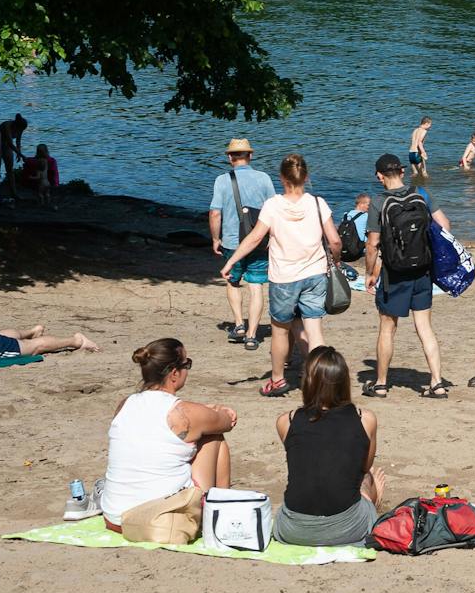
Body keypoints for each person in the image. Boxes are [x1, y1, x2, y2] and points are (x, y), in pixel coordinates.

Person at [220, 153, 342, 397]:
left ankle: (277, 380)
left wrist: (231, 261)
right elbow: (335, 240)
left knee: (280, 330)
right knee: (314, 329)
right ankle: (321, 379)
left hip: (284, 277)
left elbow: (254, 238)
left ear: (281, 179)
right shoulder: (318, 203)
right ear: (306, 178)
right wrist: (335, 261)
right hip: (315, 274)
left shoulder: (273, 205)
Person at [97, 339, 236, 539]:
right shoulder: (184, 413)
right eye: (186, 365)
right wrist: (217, 411)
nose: (188, 369)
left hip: (115, 518)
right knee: (214, 436)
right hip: (161, 522)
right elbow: (226, 422)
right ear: (174, 374)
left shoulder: (124, 405)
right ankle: (222, 510)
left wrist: (205, 412)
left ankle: (221, 506)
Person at [272, 347, 384, 547]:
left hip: (293, 529)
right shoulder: (365, 419)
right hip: (347, 528)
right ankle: (370, 501)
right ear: (343, 382)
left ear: (307, 382)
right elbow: (364, 467)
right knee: (367, 478)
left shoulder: (286, 421)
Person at [364, 154, 450, 398]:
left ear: (379, 176)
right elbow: (444, 225)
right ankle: (437, 383)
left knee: (387, 328)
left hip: (395, 274)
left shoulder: (379, 202)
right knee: (425, 327)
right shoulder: (421, 193)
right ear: (402, 172)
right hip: (422, 270)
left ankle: (381, 384)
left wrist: (370, 273)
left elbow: (373, 244)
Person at [209, 138, 276, 350]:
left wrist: (215, 238)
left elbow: (215, 213)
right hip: (259, 241)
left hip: (232, 241)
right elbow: (274, 210)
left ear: (230, 157)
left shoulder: (221, 180)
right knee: (256, 286)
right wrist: (272, 238)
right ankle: (252, 334)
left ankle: (238, 324)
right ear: (251, 156)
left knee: (233, 281)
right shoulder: (264, 178)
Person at [18, 143, 60, 207]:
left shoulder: (36, 162)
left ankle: (41, 204)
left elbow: (37, 176)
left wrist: (30, 177)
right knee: (47, 193)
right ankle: (48, 202)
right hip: (48, 183)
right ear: (47, 151)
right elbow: (55, 173)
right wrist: (56, 183)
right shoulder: (51, 161)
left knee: (40, 194)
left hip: (41, 184)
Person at [0, 113, 28, 192]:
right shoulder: (7, 126)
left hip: (7, 147)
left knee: (10, 170)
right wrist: (22, 155)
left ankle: (14, 191)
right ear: (16, 125)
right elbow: (10, 143)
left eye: (22, 130)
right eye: (20, 129)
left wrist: (18, 153)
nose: (21, 131)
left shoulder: (21, 128)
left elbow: (18, 141)